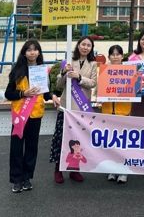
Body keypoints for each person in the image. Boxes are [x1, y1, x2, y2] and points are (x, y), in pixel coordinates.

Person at [5, 39, 60, 193]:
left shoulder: (43, 70)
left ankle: (27, 178)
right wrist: (23, 93)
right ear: (24, 53)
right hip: (20, 115)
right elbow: (8, 93)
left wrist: (53, 96)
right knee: (16, 148)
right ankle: (16, 179)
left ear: (39, 52)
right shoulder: (17, 70)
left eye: (35, 49)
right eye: (29, 50)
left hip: (36, 114)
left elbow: (45, 92)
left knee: (31, 147)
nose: (32, 52)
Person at [50, 36, 97, 184]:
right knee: (61, 139)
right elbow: (58, 84)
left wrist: (79, 77)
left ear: (91, 48)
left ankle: (74, 169)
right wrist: (64, 73)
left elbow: (93, 83)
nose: (85, 47)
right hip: (66, 107)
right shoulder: (68, 61)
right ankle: (58, 169)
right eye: (83, 44)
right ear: (78, 45)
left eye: (88, 45)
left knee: (78, 140)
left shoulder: (93, 64)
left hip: (82, 108)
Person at [101, 45, 130, 184]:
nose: (115, 57)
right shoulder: (104, 71)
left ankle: (124, 171)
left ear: (122, 56)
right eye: (112, 54)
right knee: (110, 142)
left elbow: (135, 91)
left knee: (123, 143)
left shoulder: (129, 71)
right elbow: (99, 90)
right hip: (107, 111)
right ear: (109, 56)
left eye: (118, 54)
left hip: (124, 112)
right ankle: (112, 170)